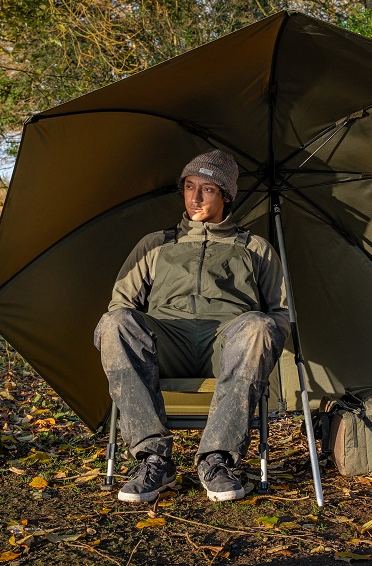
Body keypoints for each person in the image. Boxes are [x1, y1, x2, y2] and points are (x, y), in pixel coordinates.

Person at [94, 149, 290, 503]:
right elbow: (121, 304)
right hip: (167, 344)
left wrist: (260, 333)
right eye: (189, 186)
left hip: (226, 346)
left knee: (259, 326)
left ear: (226, 195)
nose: (195, 197)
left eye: (208, 189)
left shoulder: (255, 248)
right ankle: (154, 460)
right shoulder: (155, 244)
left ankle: (216, 460)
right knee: (114, 323)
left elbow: (280, 313)